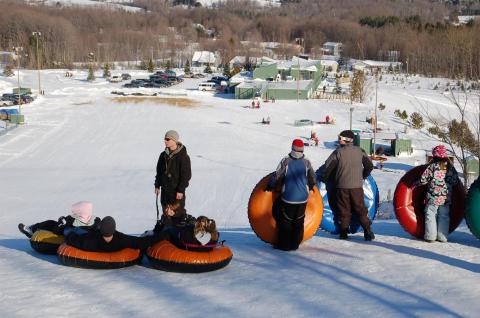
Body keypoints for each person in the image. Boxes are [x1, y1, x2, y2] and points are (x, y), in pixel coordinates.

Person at [320, 130, 375, 241]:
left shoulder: (338, 152)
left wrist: (325, 179)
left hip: (342, 187)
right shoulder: (360, 151)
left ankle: (344, 233)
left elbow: (327, 168)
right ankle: (368, 232)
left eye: (340, 138)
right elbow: (369, 166)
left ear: (346, 139)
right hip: (357, 188)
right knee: (360, 209)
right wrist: (362, 176)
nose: (339, 140)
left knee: (343, 210)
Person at [265, 139, 316, 251]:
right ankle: (295, 244)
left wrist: (270, 186)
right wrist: (311, 186)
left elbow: (277, 175)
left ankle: (284, 245)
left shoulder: (286, 161)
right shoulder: (307, 162)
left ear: (292, 148)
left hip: (289, 197)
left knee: (286, 221)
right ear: (302, 149)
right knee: (299, 220)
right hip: (303, 198)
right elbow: (312, 176)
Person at [418, 145, 459, 243]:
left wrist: (418, 183)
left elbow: (423, 180)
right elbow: (455, 181)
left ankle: (430, 236)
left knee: (431, 214)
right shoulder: (450, 167)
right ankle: (443, 237)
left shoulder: (432, 166)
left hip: (433, 196)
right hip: (446, 197)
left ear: (434, 155)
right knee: (444, 215)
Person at [65, 216, 167, 252]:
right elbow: (140, 242)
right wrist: (162, 236)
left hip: (88, 234)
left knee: (75, 230)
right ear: (114, 229)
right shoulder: (120, 240)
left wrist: (69, 234)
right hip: (96, 234)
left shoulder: (91, 241)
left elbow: (73, 239)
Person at [154, 130, 191, 228]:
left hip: (176, 192)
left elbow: (186, 175)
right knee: (166, 213)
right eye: (164, 139)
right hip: (165, 192)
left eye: (167, 139)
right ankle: (167, 236)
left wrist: (180, 190)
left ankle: (179, 237)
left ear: (174, 140)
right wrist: (157, 185)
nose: (165, 141)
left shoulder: (183, 157)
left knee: (177, 214)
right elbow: (159, 172)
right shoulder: (163, 155)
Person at [18, 201, 100, 238]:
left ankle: (30, 229)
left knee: (50, 223)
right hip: (84, 237)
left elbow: (56, 231)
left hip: (68, 235)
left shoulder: (71, 219)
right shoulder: (95, 219)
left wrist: (61, 222)